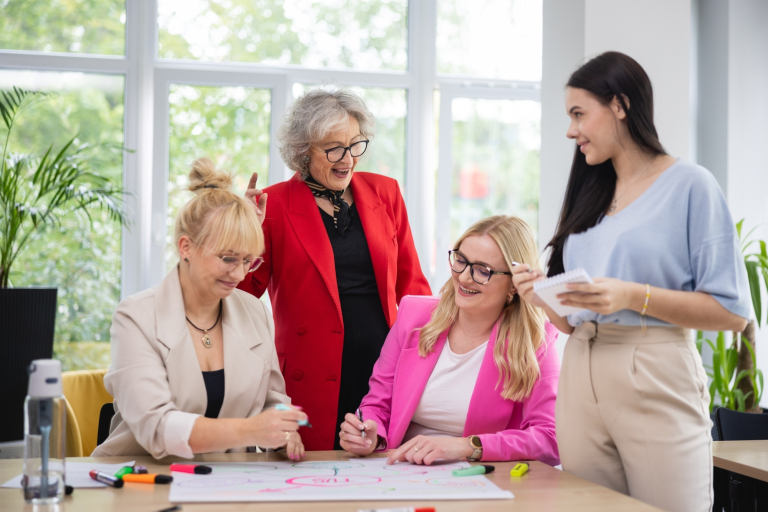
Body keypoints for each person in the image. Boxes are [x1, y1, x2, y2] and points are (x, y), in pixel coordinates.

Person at [512, 52, 750, 512]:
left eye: (579, 114)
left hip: (654, 368)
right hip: (581, 367)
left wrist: (630, 295)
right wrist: (542, 295)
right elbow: (571, 322)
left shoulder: (690, 185)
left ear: (619, 105)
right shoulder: (590, 193)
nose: (570, 130)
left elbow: (731, 312)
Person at [237, 87, 432, 450]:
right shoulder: (273, 204)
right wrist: (239, 233)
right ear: (302, 151)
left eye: (356, 144)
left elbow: (413, 289)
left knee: (382, 480)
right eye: (334, 148)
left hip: (384, 369)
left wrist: (433, 357)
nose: (348, 159)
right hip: (307, 372)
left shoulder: (385, 192)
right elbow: (240, 296)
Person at [93, 158, 308, 459]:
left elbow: (272, 400)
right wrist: (252, 431)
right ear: (186, 248)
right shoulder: (136, 316)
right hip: (142, 483)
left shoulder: (253, 311)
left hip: (228, 486)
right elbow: (157, 427)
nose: (239, 275)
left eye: (248, 261)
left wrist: (284, 433)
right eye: (228, 259)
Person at [338, 216, 560, 466]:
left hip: (480, 480)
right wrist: (370, 434)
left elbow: (549, 439)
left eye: (482, 270)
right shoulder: (413, 316)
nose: (464, 278)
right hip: (401, 471)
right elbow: (377, 403)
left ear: (514, 286)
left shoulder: (536, 341)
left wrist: (467, 446)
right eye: (461, 261)